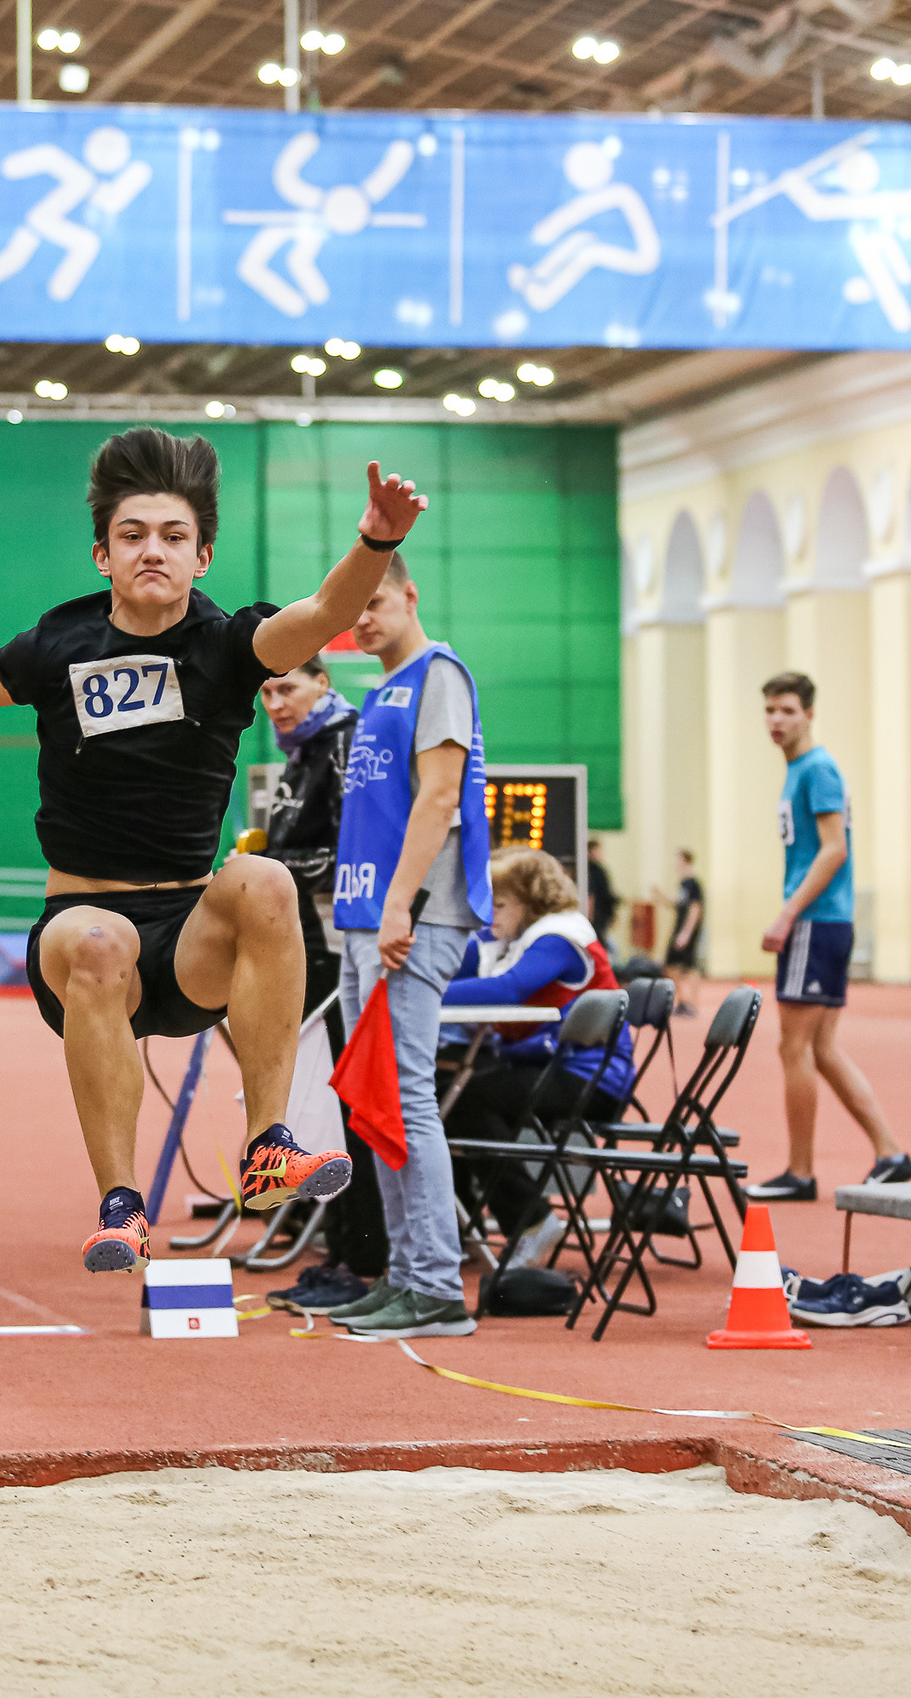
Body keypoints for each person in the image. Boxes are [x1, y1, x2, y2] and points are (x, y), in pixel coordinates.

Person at [0, 428, 426, 1273]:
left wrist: (376, 540)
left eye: (172, 536)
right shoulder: (58, 644)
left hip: (187, 936)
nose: (151, 551)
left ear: (203, 555)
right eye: (132, 536)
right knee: (97, 943)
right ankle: (121, 1203)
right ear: (102, 555)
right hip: (84, 921)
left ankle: (269, 1143)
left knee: (265, 878)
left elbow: (325, 615)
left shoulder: (230, 645)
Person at [318, 548, 493, 1342]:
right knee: (375, 1100)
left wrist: (399, 905)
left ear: (409, 593)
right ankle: (404, 1273)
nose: (361, 617)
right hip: (364, 918)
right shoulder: (381, 689)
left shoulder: (438, 675)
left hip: (410, 919)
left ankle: (435, 1287)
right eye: (350, 607)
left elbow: (442, 796)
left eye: (374, 602)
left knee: (408, 1095)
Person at [744, 673, 911, 1202]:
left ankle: (800, 1171)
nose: (776, 720)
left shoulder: (817, 769)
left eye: (787, 710)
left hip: (816, 922)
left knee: (792, 1047)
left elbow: (834, 848)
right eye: (769, 710)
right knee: (821, 1048)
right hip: (822, 923)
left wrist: (788, 914)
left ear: (808, 714)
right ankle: (891, 1153)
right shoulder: (798, 771)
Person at [253, 656, 387, 1314]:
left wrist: (272, 869)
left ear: (323, 684)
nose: (276, 702)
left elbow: (358, 848)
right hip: (304, 954)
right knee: (319, 1108)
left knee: (350, 1105)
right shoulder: (304, 749)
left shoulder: (346, 743)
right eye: (268, 691)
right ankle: (341, 1249)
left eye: (289, 688)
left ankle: (363, 1256)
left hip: (342, 952)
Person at [441, 847, 636, 1266]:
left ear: (529, 905)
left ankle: (528, 1219)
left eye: (502, 903)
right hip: (558, 1066)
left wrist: (422, 994)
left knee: (464, 1097)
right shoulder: (528, 939)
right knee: (453, 1094)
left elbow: (507, 991)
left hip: (591, 1078)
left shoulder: (558, 938)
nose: (490, 913)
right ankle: (466, 1229)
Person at [653, 848, 705, 1017]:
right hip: (681, 928)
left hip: (686, 930)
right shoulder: (683, 884)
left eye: (677, 859)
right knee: (678, 966)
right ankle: (684, 1001)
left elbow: (695, 908)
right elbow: (679, 904)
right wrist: (660, 896)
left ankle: (690, 1003)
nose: (675, 863)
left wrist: (686, 933)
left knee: (686, 966)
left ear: (685, 861)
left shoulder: (693, 884)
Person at [584, 835, 622, 963]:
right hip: (596, 918)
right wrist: (589, 918)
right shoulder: (594, 871)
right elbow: (591, 896)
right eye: (598, 850)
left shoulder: (597, 870)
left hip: (600, 917)